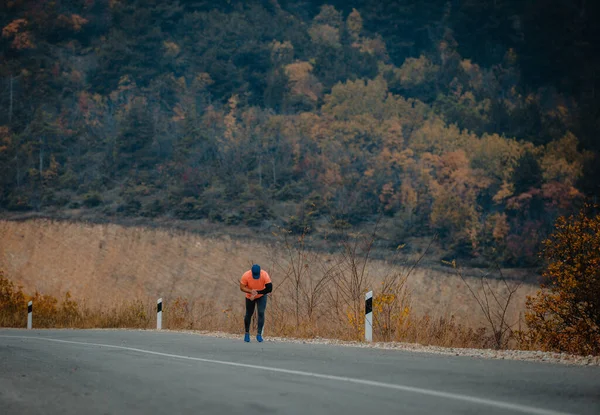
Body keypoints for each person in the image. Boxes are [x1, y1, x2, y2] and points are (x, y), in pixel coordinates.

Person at [239, 264, 272, 342]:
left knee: (261, 312)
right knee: (249, 313)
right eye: (254, 275)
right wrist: (251, 291)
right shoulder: (246, 275)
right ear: (251, 272)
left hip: (261, 295)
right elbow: (242, 287)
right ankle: (247, 333)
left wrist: (257, 292)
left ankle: (259, 334)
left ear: (260, 272)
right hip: (250, 296)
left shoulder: (264, 275)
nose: (256, 277)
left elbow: (269, 288)